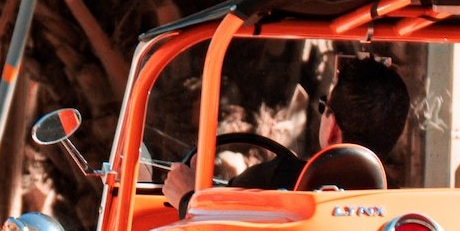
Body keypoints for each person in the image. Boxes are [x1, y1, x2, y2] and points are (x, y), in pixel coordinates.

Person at [163, 56, 410, 207]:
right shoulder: (401, 207)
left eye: (324, 106)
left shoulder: (273, 181)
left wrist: (188, 199)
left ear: (333, 128)